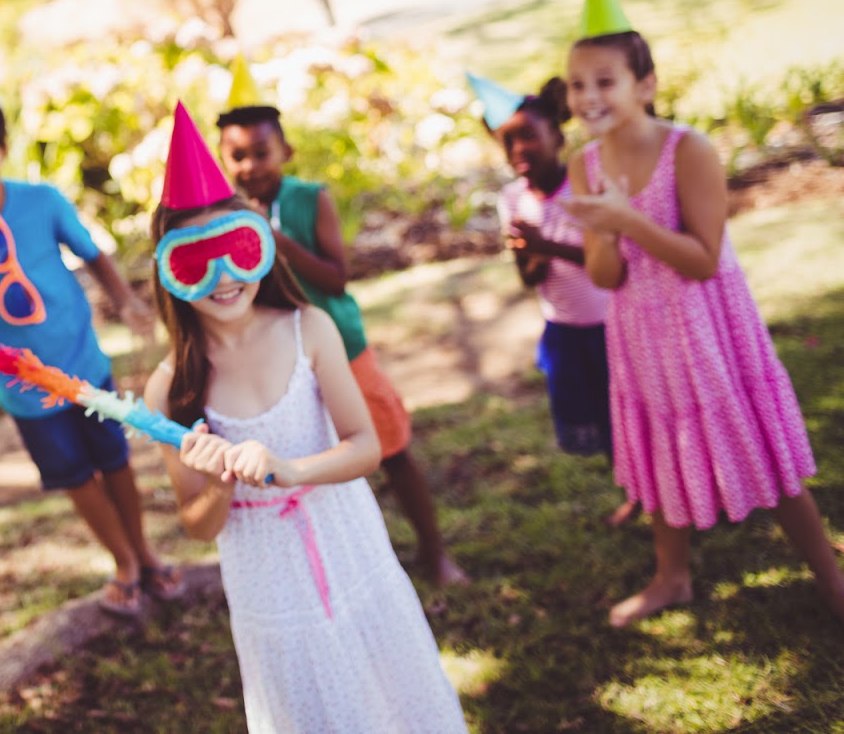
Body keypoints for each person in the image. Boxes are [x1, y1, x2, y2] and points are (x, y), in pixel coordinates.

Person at [145, 102, 466, 733]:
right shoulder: (170, 390)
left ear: (260, 245)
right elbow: (198, 525)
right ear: (169, 272)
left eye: (235, 249)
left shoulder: (308, 329)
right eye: (195, 261)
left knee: (394, 692)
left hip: (350, 545)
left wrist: (291, 470)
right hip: (267, 585)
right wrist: (219, 485)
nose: (222, 277)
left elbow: (366, 446)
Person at [560, 0, 844, 627]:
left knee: (759, 448)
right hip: (641, 332)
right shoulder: (584, 165)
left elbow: (703, 259)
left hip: (707, 326)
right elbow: (605, 278)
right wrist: (605, 233)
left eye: (604, 81)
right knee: (660, 447)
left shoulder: (688, 150)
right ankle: (672, 576)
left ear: (645, 85)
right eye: (577, 84)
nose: (588, 96)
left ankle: (830, 577)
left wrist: (627, 219)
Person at [0, 59, 180, 617]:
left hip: (84, 362)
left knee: (115, 461)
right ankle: (124, 563)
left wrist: (127, 301)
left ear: (1, 150)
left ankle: (146, 554)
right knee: (76, 476)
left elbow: (92, 254)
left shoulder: (43, 201)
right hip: (25, 388)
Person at [215, 101, 469, 586]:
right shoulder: (226, 217)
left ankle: (435, 553)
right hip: (280, 361)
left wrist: (277, 240)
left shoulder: (312, 199)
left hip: (342, 349)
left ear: (286, 151)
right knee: (313, 456)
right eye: (238, 156)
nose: (250, 167)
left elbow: (336, 277)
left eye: (261, 153)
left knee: (388, 448)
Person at [472, 71, 638, 526]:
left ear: (558, 136)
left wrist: (546, 244)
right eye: (507, 142)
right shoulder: (512, 199)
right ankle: (632, 490)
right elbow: (529, 278)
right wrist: (531, 253)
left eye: (528, 136)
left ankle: (656, 484)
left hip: (610, 324)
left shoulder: (584, 185)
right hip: (564, 330)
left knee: (630, 411)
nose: (518, 149)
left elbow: (609, 261)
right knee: (600, 417)